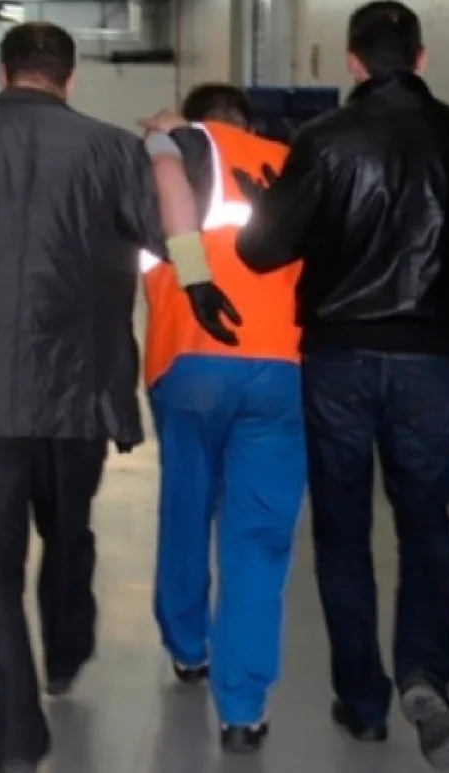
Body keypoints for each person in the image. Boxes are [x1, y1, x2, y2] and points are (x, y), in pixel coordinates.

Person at [0, 22, 238, 773]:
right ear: (70, 78)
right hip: (77, 391)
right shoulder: (110, 150)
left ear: (3, 74)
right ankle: (66, 651)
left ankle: (14, 742)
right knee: (68, 530)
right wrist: (183, 144)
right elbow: (172, 230)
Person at [236, 0, 449, 773]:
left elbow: (261, 251)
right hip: (427, 359)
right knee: (425, 519)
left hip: (339, 358)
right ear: (421, 57)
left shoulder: (323, 140)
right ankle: (424, 672)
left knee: (343, 528)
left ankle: (363, 699)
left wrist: (272, 203)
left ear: (353, 61)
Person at [137, 84, 306, 754]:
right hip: (281, 369)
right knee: (260, 537)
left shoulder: (177, 147)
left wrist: (161, 133)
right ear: (249, 124)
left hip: (190, 360)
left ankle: (188, 647)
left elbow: (153, 204)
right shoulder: (291, 163)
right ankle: (243, 708)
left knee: (188, 505)